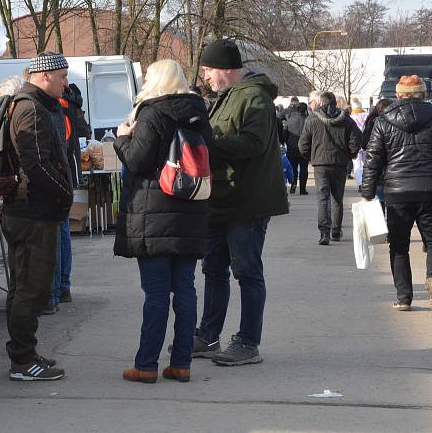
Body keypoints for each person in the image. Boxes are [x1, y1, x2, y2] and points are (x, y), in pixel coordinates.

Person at [113, 59, 212, 384]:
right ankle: (181, 363)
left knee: (155, 293)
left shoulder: (151, 113)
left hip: (153, 213)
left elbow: (138, 161)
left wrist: (122, 139)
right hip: (190, 208)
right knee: (185, 290)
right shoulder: (198, 113)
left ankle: (146, 365)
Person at [194, 38, 289, 366]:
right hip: (223, 197)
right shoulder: (228, 97)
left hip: (247, 200)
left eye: (208, 70)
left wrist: (209, 143)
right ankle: (208, 335)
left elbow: (252, 142)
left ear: (225, 69)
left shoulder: (253, 97)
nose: (205, 76)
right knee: (213, 268)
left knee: (246, 271)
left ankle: (248, 342)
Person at [361, 75, 432, 314]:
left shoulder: (383, 121)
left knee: (399, 246)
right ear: (424, 94)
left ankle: (403, 298)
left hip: (397, 192)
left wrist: (368, 193)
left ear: (398, 95)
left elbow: (372, 160)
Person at [2, 52, 73, 381]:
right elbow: (37, 164)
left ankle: (24, 353)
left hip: (28, 210)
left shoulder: (32, 105)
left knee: (24, 287)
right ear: (44, 76)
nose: (65, 83)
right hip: (31, 212)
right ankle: (22, 361)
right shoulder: (30, 108)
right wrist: (65, 190)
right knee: (30, 288)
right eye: (62, 77)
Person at [44, 83, 90, 313]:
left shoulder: (57, 107)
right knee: (62, 232)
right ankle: (62, 287)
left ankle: (55, 291)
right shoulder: (69, 104)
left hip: (59, 175)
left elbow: (61, 142)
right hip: (67, 172)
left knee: (57, 232)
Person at [298, 92, 362, 245]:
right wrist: (350, 155)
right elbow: (357, 138)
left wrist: (312, 157)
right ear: (335, 103)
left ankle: (324, 232)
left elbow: (303, 144)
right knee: (337, 199)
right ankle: (336, 230)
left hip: (320, 163)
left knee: (322, 198)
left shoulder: (312, 119)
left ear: (321, 103)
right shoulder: (346, 119)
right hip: (339, 162)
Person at [361, 98, 393, 206]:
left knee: (379, 200)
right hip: (391, 167)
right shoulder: (394, 122)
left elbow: (364, 144)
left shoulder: (371, 121)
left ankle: (382, 221)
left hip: (377, 166)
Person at [283, 102, 309, 194]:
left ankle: (293, 184)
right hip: (305, 148)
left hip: (292, 147)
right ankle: (302, 189)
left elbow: (284, 134)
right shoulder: (308, 120)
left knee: (293, 168)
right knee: (304, 169)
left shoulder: (289, 119)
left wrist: (287, 143)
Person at [349, 99, 369, 191]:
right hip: (366, 142)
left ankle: (360, 183)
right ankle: (367, 182)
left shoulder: (351, 117)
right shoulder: (367, 116)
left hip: (356, 144)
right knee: (367, 163)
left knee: (357, 164)